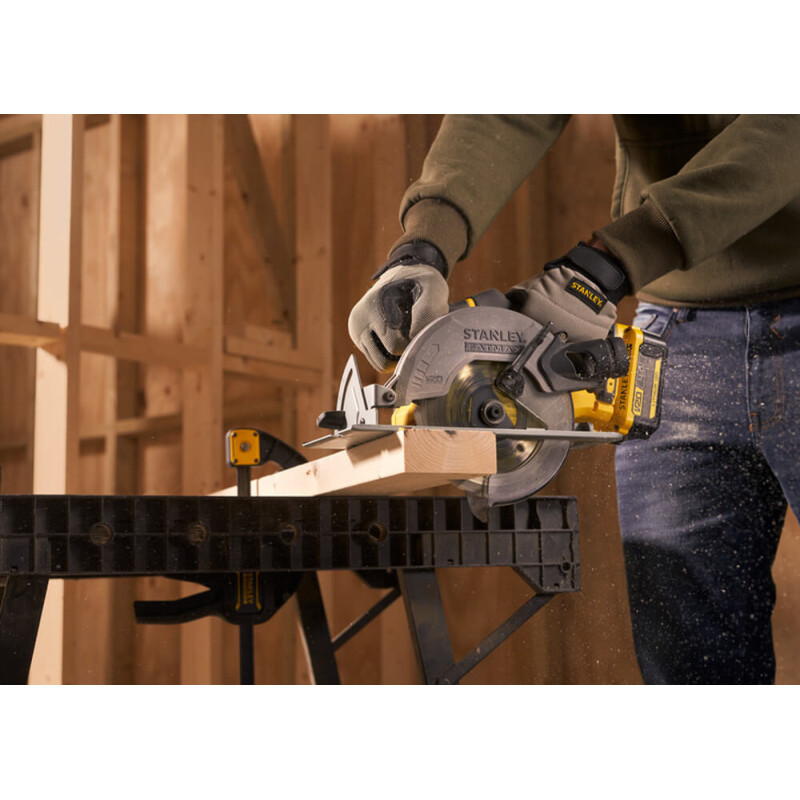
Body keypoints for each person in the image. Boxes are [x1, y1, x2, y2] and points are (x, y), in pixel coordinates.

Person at [347, 114, 800, 684]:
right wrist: (422, 247)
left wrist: (610, 261)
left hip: (698, 275)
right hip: (677, 328)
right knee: (693, 671)